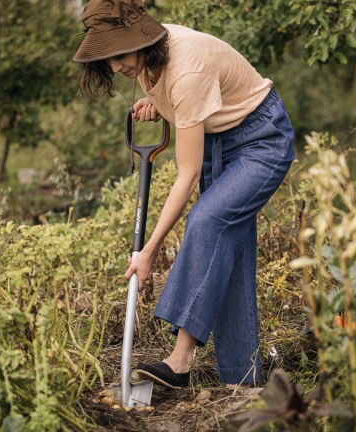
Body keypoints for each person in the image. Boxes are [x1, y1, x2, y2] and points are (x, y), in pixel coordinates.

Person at [73, 0, 294, 388]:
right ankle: (242, 382)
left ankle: (180, 359)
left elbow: (187, 175)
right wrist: (159, 103)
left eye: (120, 53)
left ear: (140, 39)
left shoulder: (187, 69)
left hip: (261, 141)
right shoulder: (150, 58)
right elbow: (179, 94)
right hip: (219, 143)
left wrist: (150, 251)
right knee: (227, 250)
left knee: (207, 222)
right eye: (108, 57)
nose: (117, 66)